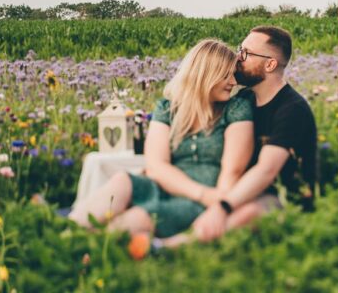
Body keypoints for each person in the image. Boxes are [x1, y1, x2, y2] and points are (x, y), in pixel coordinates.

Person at [69, 39, 254, 242]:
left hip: (207, 198)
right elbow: (156, 166)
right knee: (122, 180)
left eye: (233, 75)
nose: (233, 82)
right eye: (226, 75)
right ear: (206, 74)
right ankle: (66, 230)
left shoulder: (236, 108)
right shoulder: (168, 108)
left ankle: (86, 246)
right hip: (173, 188)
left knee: (141, 216)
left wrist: (218, 203)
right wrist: (201, 193)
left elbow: (233, 169)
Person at [188, 25, 318, 243]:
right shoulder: (244, 100)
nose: (237, 58)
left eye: (246, 53)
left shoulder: (292, 109)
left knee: (248, 213)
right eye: (240, 49)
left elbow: (267, 171)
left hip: (285, 198)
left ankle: (173, 247)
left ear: (270, 64)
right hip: (243, 191)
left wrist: (223, 206)